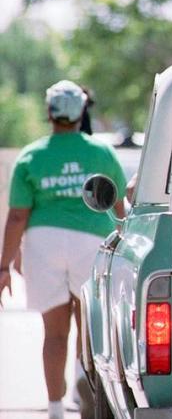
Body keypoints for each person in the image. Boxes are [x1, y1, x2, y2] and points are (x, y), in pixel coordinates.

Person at [0, 81, 127, 419]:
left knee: (54, 334)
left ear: (49, 113)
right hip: (92, 244)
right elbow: (118, 206)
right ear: (82, 111)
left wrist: (4, 266)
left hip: (44, 244)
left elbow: (16, 216)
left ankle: (56, 411)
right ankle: (88, 403)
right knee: (90, 333)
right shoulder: (101, 153)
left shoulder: (32, 156)